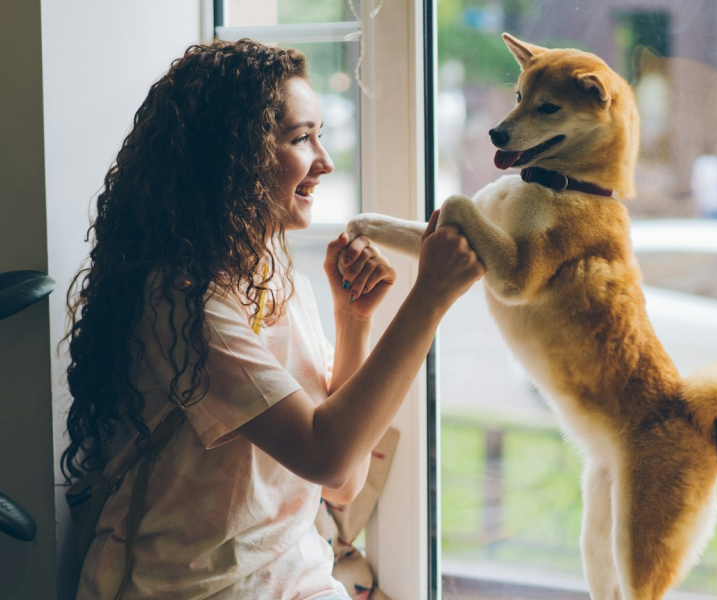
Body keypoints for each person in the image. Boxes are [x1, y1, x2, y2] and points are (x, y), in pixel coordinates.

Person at [62, 39, 484, 600]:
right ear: (232, 154)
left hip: (297, 582)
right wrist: (427, 299)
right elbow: (328, 459)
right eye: (301, 138)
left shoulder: (279, 280)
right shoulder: (181, 301)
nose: (325, 162)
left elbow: (343, 482)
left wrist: (352, 319)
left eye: (320, 136)